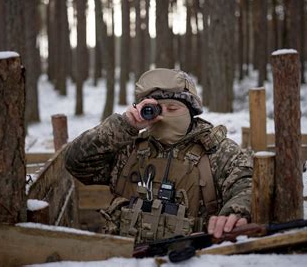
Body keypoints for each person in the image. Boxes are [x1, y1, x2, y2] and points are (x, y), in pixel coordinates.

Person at [64, 68, 252, 243]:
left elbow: (246, 183)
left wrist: (235, 211)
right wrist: (124, 125)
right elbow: (75, 162)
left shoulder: (217, 151)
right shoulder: (129, 150)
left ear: (191, 112)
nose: (164, 117)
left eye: (173, 109)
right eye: (156, 110)